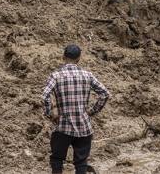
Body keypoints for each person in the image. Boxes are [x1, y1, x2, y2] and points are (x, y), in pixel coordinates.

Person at [41, 44, 110, 174]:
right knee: (81, 162)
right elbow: (105, 94)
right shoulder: (87, 75)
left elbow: (44, 96)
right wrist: (92, 111)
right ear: (79, 59)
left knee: (57, 160)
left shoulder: (55, 75)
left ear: (63, 57)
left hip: (63, 127)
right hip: (84, 127)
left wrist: (50, 114)